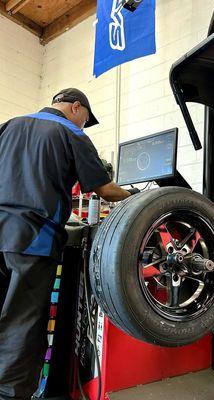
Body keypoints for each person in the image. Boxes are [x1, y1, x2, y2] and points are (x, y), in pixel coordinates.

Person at [0, 88, 135, 400]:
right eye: (85, 120)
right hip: (31, 240)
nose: (84, 126)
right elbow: (104, 188)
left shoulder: (9, 125)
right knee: (21, 325)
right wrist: (139, 198)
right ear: (76, 107)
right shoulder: (71, 132)